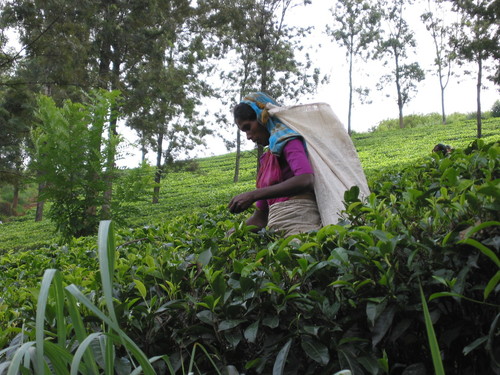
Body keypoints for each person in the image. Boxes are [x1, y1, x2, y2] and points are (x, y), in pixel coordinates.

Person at [228, 92, 322, 236]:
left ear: (262, 118)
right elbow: (260, 218)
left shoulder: (290, 141)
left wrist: (253, 195)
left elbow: (306, 179)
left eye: (248, 127)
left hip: (301, 224)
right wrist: (233, 233)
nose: (248, 136)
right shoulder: (266, 161)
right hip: (276, 231)